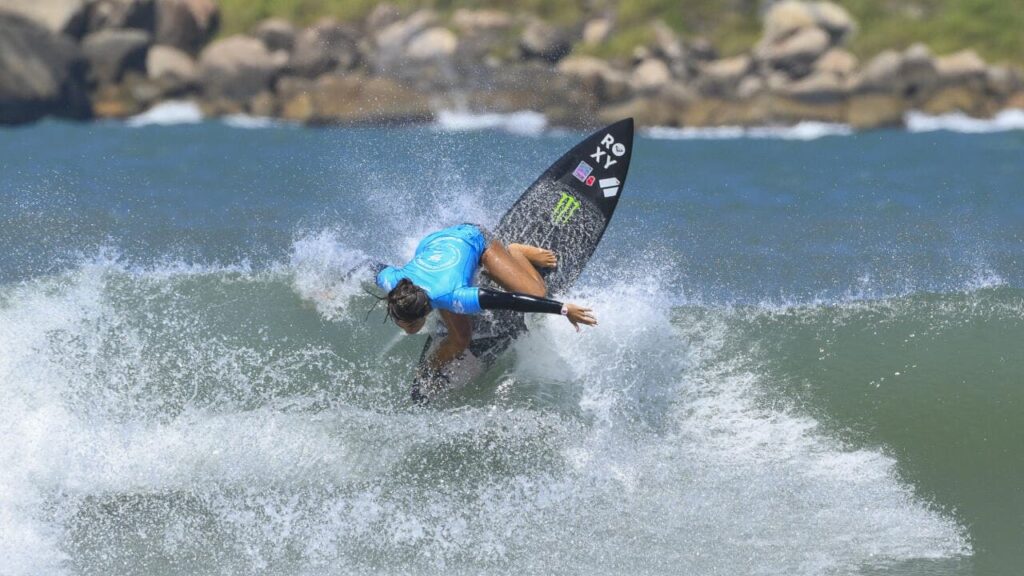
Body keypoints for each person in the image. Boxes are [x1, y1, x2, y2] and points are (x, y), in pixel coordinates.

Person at [375, 223, 596, 377]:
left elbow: (513, 301)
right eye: (402, 322)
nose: (408, 330)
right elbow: (369, 266)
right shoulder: (395, 285)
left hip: (473, 237)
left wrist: (564, 309)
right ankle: (429, 371)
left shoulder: (454, 297)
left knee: (536, 293)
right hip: (434, 244)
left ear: (425, 311)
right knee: (460, 340)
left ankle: (516, 252)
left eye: (413, 324)